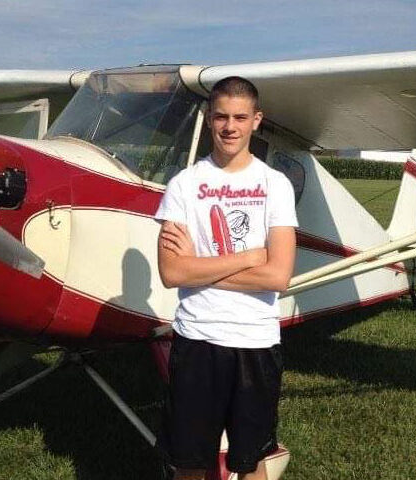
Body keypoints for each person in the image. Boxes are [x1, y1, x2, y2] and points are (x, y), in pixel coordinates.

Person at [154, 76, 297, 480]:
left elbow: (278, 276)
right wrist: (250, 257)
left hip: (256, 342)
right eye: (220, 117)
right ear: (208, 118)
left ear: (256, 120)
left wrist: (199, 267)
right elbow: (171, 272)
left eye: (239, 117)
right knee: (189, 464)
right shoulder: (183, 185)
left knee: (251, 462)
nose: (229, 127)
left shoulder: (275, 185)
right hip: (197, 340)